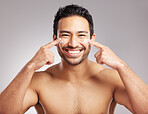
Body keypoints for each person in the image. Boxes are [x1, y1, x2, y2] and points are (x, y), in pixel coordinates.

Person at [0, 4, 148, 114]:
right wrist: (30, 66)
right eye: (65, 35)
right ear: (54, 38)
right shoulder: (38, 82)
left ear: (92, 38)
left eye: (81, 35)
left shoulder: (110, 79)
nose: (73, 43)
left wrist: (121, 65)